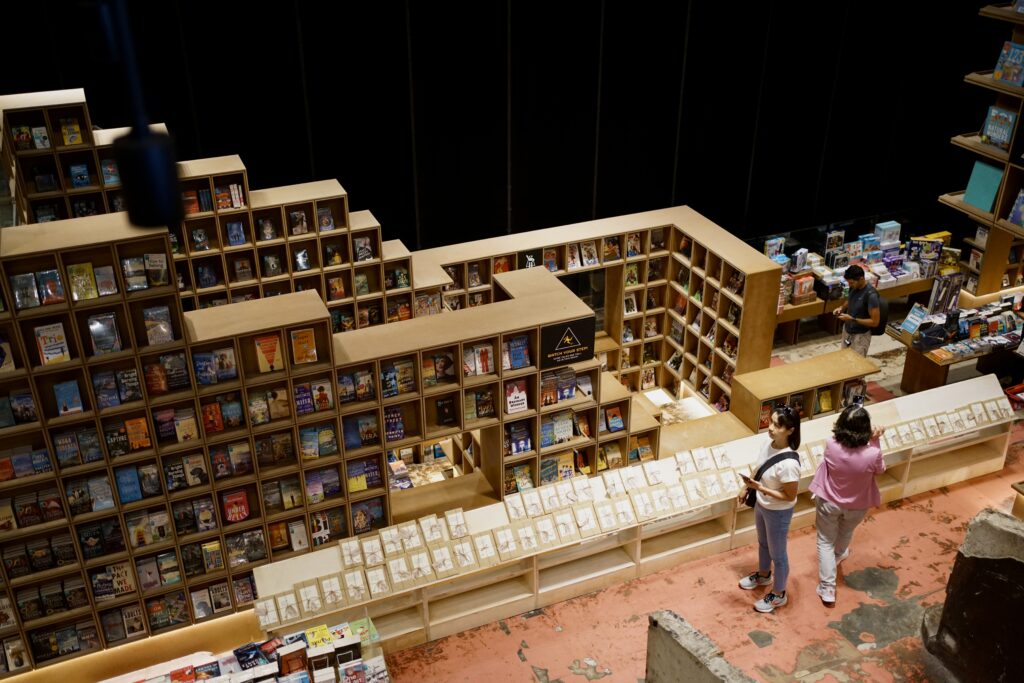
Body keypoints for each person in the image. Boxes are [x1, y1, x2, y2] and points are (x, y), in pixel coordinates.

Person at [809, 404, 886, 606]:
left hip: (829, 501)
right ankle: (837, 557)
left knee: (825, 540)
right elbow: (880, 470)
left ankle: (827, 587)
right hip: (857, 504)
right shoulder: (872, 453)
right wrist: (875, 441)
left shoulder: (831, 445)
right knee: (845, 533)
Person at [737, 404, 802, 613]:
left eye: (777, 425)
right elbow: (759, 466)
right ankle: (764, 575)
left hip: (778, 512)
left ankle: (779, 593)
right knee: (763, 543)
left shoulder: (790, 464)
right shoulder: (768, 443)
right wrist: (745, 487)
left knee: (779, 553)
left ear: (790, 430)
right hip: (762, 504)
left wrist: (761, 488)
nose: (771, 427)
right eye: (771, 421)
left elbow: (790, 495)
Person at [833, 264, 880, 357]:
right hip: (847, 332)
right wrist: (841, 308)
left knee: (857, 364)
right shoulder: (853, 287)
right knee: (844, 359)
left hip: (860, 336)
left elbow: (875, 322)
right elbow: (849, 299)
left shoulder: (871, 296)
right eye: (849, 283)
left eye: (851, 283)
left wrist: (853, 319)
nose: (850, 285)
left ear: (861, 279)